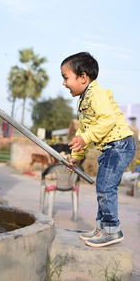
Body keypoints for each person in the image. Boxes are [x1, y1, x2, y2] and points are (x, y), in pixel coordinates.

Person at [61, 52, 136, 247]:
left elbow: (107, 119)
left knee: (105, 187)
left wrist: (85, 138)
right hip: (112, 148)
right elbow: (82, 130)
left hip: (120, 145)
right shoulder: (84, 100)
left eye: (66, 77)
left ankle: (112, 230)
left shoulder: (97, 93)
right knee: (103, 186)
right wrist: (77, 157)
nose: (64, 83)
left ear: (83, 77)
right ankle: (102, 228)